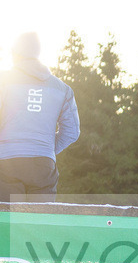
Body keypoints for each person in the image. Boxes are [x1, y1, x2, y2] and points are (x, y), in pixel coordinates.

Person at [0, 32, 80, 200]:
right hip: (43, 166)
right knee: (39, 223)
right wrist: (45, 148)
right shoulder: (62, 89)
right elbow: (72, 132)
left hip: (7, 164)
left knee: (8, 224)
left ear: (16, 53)